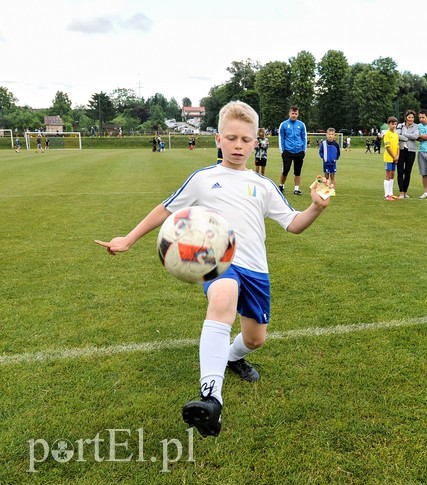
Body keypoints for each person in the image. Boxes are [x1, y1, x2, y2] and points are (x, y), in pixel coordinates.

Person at [94, 100, 331, 438]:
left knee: (255, 339)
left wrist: (316, 208)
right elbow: (165, 210)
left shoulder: (263, 185)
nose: (238, 145)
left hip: (256, 271)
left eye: (245, 140)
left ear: (256, 142)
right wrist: (129, 238)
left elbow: (293, 224)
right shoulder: (203, 179)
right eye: (231, 138)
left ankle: (233, 357)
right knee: (222, 298)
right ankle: (211, 399)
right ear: (218, 139)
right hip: (218, 264)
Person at [278, 106, 308, 195]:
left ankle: (296, 189)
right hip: (287, 151)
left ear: (298, 114)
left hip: (299, 151)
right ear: (289, 113)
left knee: (298, 171)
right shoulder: (284, 124)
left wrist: (304, 150)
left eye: (296, 114)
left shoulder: (301, 125)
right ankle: (281, 186)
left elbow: (304, 137)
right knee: (285, 170)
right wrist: (282, 150)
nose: (294, 115)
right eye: (292, 113)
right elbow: (281, 138)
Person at [396, 110, 419, 199]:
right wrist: (407, 137)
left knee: (408, 172)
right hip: (401, 150)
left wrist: (405, 134)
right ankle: (401, 192)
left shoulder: (416, 126)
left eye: (412, 117)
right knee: (400, 171)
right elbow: (397, 135)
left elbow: (415, 136)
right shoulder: (400, 125)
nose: (411, 119)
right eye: (409, 117)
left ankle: (405, 191)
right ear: (406, 118)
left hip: (411, 151)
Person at [382, 116, 399, 200]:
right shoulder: (387, 134)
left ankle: (391, 193)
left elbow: (398, 146)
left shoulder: (396, 134)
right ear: (388, 124)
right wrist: (394, 156)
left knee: (392, 175)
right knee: (388, 175)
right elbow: (388, 147)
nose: (394, 125)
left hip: (394, 158)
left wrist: (397, 156)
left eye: (395, 124)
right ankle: (387, 195)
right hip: (388, 158)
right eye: (392, 124)